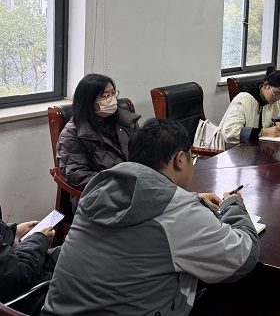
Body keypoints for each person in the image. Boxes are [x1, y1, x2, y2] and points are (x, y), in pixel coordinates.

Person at [42, 119, 260, 316]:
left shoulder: (97, 192)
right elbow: (242, 258)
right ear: (180, 159)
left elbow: (144, 205)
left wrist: (191, 199)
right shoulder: (179, 213)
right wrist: (234, 205)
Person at [56, 73, 140, 210]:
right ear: (88, 101)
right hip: (99, 196)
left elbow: (145, 152)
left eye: (113, 93)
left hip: (136, 187)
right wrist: (118, 183)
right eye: (105, 96)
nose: (112, 99)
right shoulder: (72, 134)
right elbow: (76, 174)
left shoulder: (126, 122)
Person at [220, 67, 280, 145]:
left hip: (259, 146)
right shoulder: (243, 99)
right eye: (276, 93)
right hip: (235, 149)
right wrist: (263, 132)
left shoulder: (279, 99)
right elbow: (230, 133)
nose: (278, 98)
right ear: (266, 85)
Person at [0, 210, 59, 305]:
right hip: (17, 295)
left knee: (65, 253)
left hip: (14, 267)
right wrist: (39, 239)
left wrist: (12, 232)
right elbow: (17, 275)